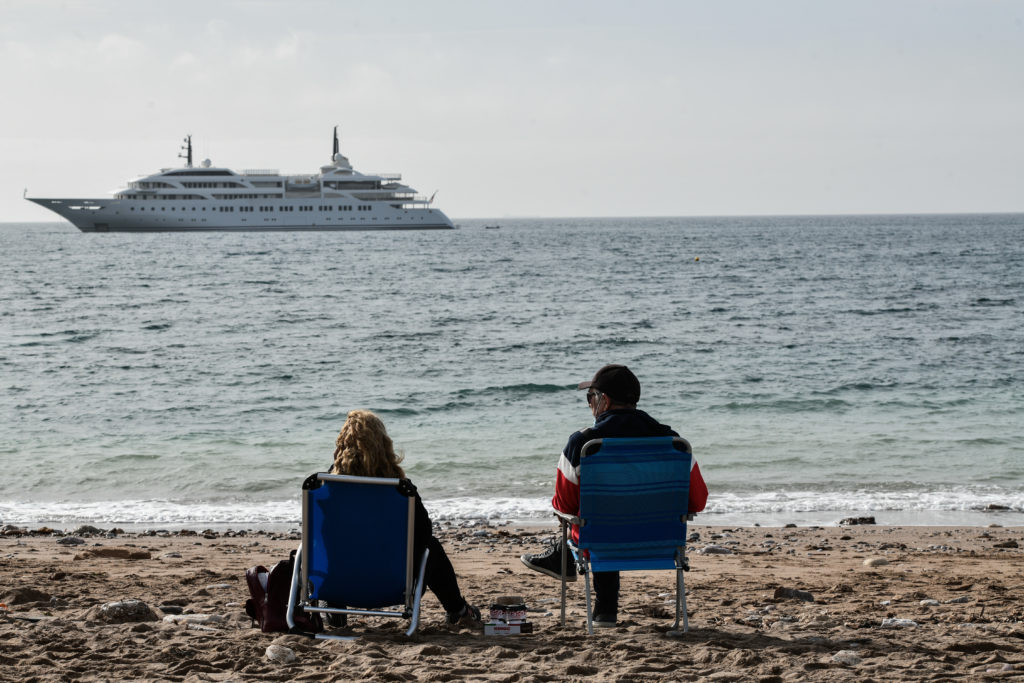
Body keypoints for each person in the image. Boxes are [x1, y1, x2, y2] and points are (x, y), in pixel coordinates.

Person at [520, 364, 708, 628]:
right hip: (661, 543)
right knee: (606, 520)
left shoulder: (583, 444)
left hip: (600, 541)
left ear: (604, 401)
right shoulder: (674, 443)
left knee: (590, 523)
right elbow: (698, 501)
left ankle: (599, 604)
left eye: (590, 397)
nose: (589, 404)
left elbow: (566, 506)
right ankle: (601, 605)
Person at [330, 409, 481, 628]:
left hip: (339, 585)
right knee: (432, 547)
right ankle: (458, 611)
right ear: (384, 445)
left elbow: (320, 534)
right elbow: (423, 535)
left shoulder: (326, 488)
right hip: (392, 585)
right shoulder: (400, 490)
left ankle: (335, 614)